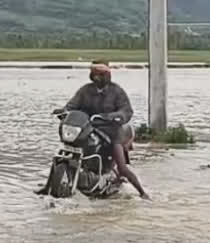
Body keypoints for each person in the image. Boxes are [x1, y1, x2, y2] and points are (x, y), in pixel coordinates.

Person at [62, 61, 150, 200]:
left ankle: (142, 192)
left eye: (100, 74)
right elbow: (72, 104)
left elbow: (126, 111)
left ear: (107, 74)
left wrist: (113, 117)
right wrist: (64, 111)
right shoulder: (85, 90)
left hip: (112, 131)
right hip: (89, 129)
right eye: (95, 74)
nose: (97, 77)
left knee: (122, 167)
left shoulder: (116, 91)